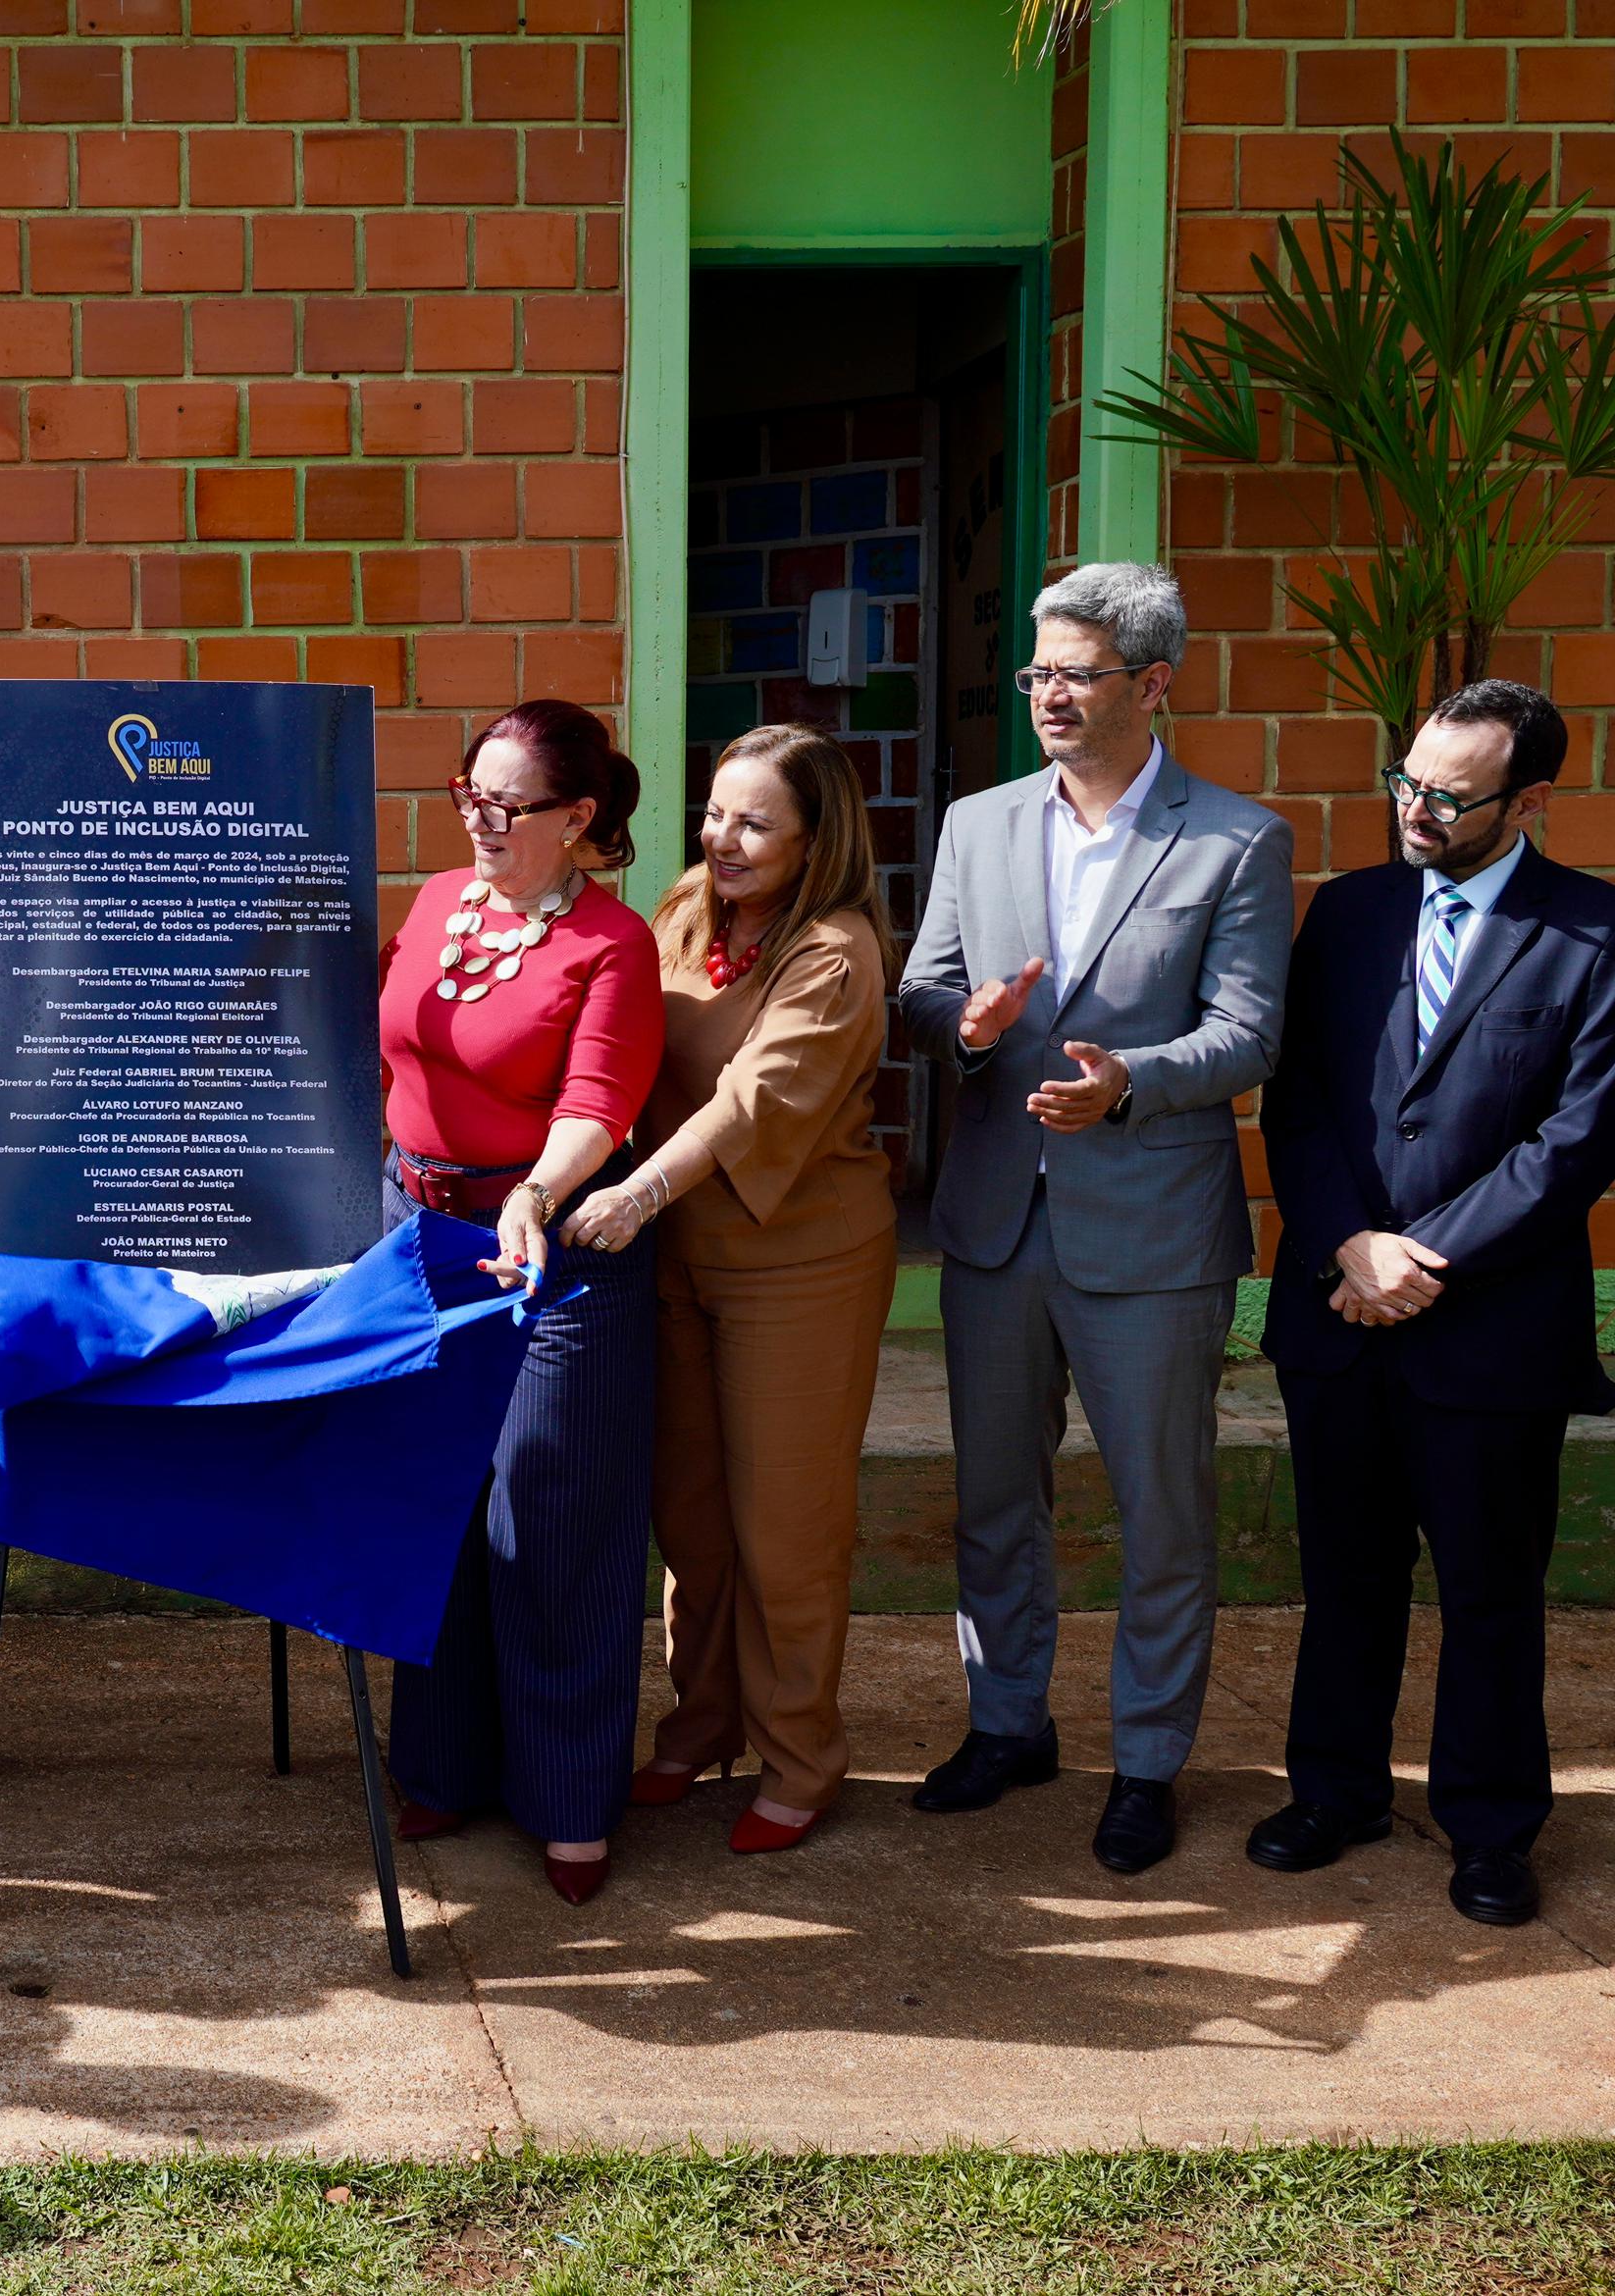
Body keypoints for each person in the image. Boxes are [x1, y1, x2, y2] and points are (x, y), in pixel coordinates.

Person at [891, 562, 1290, 1875]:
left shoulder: (1234, 838)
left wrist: (1133, 1084)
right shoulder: (980, 822)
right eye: (1038, 672)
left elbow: (1246, 1032)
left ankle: (1151, 1759)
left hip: (1155, 1230)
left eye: (1075, 673)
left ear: (1154, 684)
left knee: (1160, 1509)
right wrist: (966, 1026)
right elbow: (924, 990)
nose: (1049, 696)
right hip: (999, 1218)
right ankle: (1008, 1725)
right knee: (997, 1499)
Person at [1250, 680, 1615, 1929]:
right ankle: (1334, 1791)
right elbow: (1299, 1095)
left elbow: (1576, 1142)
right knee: (1344, 1574)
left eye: (1447, 794)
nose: (1414, 810)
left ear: (1528, 800)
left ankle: (1488, 1824)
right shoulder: (1350, 910)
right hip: (1334, 1305)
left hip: (1488, 1329)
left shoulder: (1599, 932)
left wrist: (1417, 1259)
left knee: (1486, 1590)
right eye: (1405, 781)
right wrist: (1346, 1246)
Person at [563, 723, 895, 1859]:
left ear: (814, 841)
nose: (724, 837)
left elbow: (748, 1105)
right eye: (714, 812)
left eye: (756, 822)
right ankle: (699, 1723)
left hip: (796, 1264)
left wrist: (634, 1195)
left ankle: (799, 1755)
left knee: (783, 1531)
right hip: (672, 1257)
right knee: (692, 1520)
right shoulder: (684, 908)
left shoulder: (834, 953)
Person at [374, 698, 662, 1905]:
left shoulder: (612, 944)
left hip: (551, 1249)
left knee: (549, 1518)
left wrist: (535, 1196)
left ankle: (566, 1796)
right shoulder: (439, 900)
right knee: (433, 1508)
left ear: (577, 817)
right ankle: (440, 1764)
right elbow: (386, 1041)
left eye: (507, 804)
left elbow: (596, 1101)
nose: (479, 821)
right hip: (419, 1238)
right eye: (467, 795)